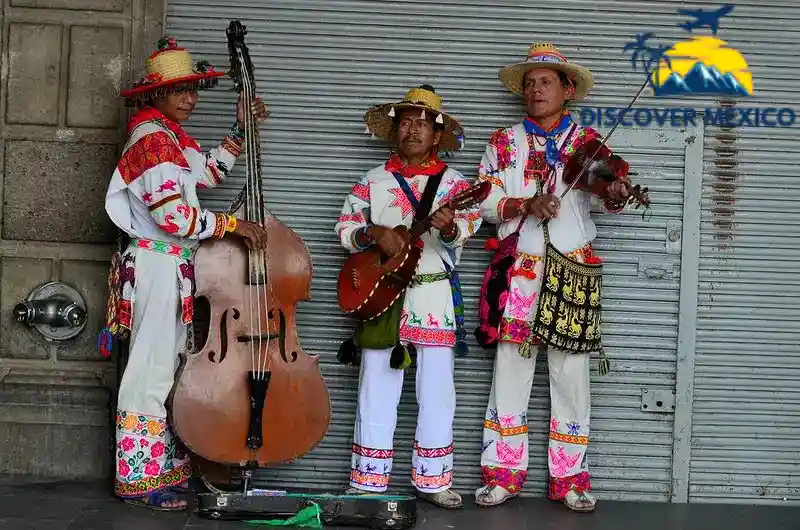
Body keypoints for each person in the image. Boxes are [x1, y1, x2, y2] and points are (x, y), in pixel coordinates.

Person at [101, 37, 270, 511]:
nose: (189, 98)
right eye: (179, 90)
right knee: (150, 370)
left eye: (193, 89)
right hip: (157, 262)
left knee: (168, 366)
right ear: (154, 94)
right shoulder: (153, 140)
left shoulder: (170, 137)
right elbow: (174, 218)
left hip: (170, 265)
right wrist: (232, 225)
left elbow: (209, 175)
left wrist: (240, 130)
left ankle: (163, 469)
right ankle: (138, 478)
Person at [472, 43, 631, 512]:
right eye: (529, 83)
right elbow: (481, 199)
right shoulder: (503, 142)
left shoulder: (590, 144)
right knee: (510, 372)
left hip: (573, 270)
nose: (535, 89)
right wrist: (524, 204)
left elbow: (608, 197)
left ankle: (571, 478)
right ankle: (503, 474)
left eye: (545, 82)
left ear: (567, 90)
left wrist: (619, 191)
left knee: (571, 376)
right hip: (520, 268)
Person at [334, 85, 482, 509]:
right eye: (406, 122)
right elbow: (345, 228)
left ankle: (433, 480)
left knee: (437, 390)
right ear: (395, 130)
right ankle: (368, 481)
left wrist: (450, 227)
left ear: (437, 135)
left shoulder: (455, 184)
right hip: (384, 294)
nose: (413, 130)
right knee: (376, 386)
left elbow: (466, 229)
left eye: (423, 124)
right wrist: (370, 233)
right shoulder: (373, 180)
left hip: (433, 293)